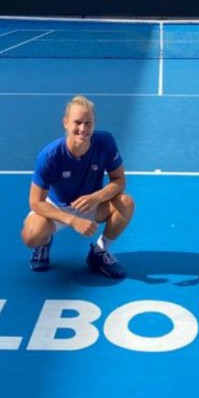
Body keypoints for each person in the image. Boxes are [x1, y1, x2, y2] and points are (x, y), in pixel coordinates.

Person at [21, 95, 134, 279]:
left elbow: (120, 181)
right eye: (78, 122)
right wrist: (73, 220)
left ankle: (99, 251)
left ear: (94, 124)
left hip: (92, 204)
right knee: (31, 236)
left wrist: (97, 197)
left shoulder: (105, 142)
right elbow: (35, 201)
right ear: (66, 123)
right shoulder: (50, 155)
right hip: (58, 207)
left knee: (126, 203)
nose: (83, 129)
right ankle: (44, 243)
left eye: (88, 123)